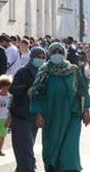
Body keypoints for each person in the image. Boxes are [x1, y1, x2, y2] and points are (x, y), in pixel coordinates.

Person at [29, 42, 90, 172]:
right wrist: (38, 114)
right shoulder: (44, 71)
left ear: (65, 54)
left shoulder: (73, 69)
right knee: (52, 150)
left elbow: (83, 91)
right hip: (51, 117)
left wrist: (86, 110)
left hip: (72, 116)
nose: (57, 55)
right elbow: (36, 94)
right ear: (50, 54)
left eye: (60, 52)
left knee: (70, 150)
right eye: (54, 53)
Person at [10, 47, 46, 172]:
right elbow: (12, 89)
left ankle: (22, 169)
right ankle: (31, 169)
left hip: (34, 115)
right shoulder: (23, 72)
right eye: (38, 57)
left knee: (27, 146)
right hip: (21, 114)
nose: (40, 60)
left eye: (43, 58)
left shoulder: (44, 73)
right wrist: (26, 89)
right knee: (24, 147)